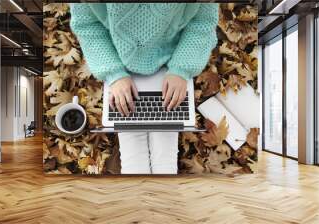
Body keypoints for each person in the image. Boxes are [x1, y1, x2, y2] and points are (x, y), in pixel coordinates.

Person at [70, 3, 218, 174]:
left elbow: (203, 22)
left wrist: (181, 68)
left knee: (164, 159)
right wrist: (114, 72)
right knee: (134, 160)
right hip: (120, 66)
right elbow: (87, 25)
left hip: (172, 63)